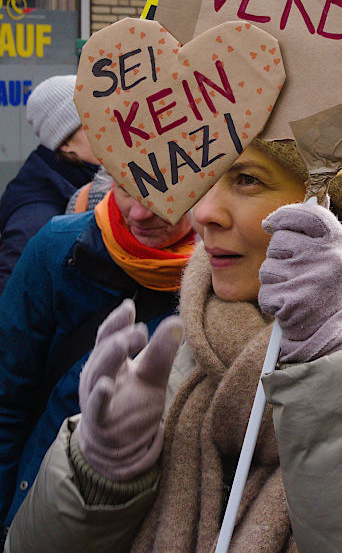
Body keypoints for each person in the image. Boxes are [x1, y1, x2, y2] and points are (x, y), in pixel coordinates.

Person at [6, 140, 342, 553]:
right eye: (205, 177)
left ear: (339, 209)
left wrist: (339, 363)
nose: (203, 212)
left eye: (245, 179)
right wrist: (100, 476)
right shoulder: (205, 340)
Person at [0, 181, 196, 535]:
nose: (139, 212)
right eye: (126, 186)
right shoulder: (56, 250)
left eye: (164, 193)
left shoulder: (229, 276)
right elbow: (6, 402)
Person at [0, 75, 100, 292]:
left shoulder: (81, 184)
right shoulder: (36, 217)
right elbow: (13, 305)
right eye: (92, 122)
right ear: (64, 142)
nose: (107, 130)